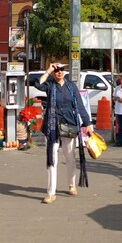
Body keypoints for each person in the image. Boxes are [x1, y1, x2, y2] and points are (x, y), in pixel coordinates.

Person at [35, 63, 93, 204]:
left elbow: (80, 105)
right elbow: (37, 84)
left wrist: (88, 124)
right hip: (52, 125)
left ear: (64, 71)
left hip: (69, 123)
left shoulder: (71, 86)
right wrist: (48, 70)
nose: (59, 72)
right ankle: (51, 192)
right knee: (51, 158)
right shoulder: (50, 85)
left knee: (70, 157)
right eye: (56, 70)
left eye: (61, 70)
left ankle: (71, 184)